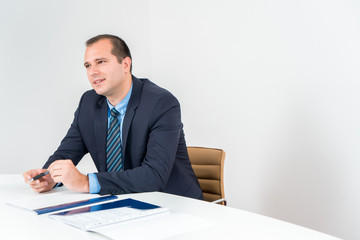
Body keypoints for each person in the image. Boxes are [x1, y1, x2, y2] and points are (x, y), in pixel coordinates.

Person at [23, 34, 203, 199]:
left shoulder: (161, 103)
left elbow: (154, 176)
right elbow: (66, 153)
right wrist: (49, 176)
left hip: (172, 204)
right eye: (87, 65)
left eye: (100, 62)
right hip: (120, 203)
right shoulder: (88, 102)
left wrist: (86, 182)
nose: (92, 71)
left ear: (125, 64)